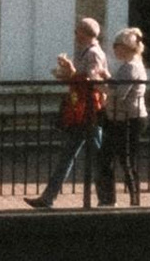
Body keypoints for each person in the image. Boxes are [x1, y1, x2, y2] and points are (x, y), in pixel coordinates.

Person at [35, 16, 112, 209]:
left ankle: (106, 198)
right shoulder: (85, 51)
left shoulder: (93, 53)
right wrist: (69, 74)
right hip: (82, 109)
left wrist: (70, 73)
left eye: (77, 31)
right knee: (74, 155)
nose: (75, 34)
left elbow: (91, 80)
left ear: (85, 33)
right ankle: (48, 197)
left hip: (89, 111)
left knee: (92, 157)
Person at [107, 28, 149, 208]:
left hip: (129, 117)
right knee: (126, 157)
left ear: (125, 47)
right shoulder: (134, 64)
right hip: (133, 116)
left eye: (116, 46)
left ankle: (134, 198)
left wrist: (97, 88)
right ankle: (133, 197)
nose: (114, 49)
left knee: (126, 158)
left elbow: (119, 94)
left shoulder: (130, 66)